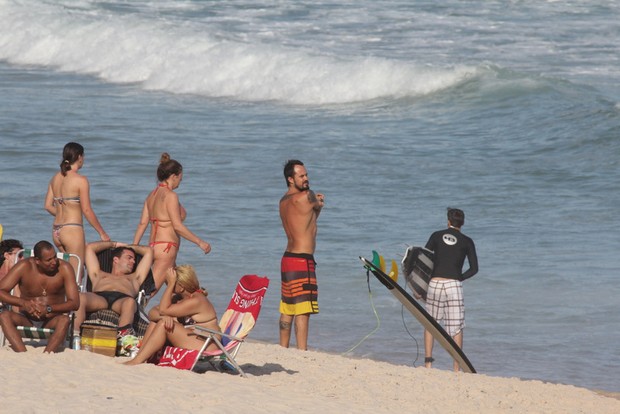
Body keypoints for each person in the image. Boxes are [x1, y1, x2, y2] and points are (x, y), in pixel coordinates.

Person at [133, 153, 211, 294]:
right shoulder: (171, 196)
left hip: (152, 247)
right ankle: (131, 312)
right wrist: (200, 242)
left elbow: (142, 224)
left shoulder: (151, 195)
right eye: (180, 178)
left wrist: (134, 248)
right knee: (148, 293)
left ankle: (179, 312)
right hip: (167, 248)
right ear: (173, 176)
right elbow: (177, 226)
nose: (180, 182)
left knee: (179, 287)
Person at [125, 264, 220, 365]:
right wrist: (164, 317)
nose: (168, 287)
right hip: (195, 338)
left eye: (171, 284)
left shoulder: (197, 300)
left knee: (163, 325)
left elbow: (163, 310)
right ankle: (141, 356)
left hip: (208, 343)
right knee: (156, 322)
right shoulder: (180, 298)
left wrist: (170, 286)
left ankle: (138, 360)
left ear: (181, 287)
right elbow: (152, 312)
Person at [0, 240, 80, 353]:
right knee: (4, 316)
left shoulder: (64, 268)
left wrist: (48, 308)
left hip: (51, 319)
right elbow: (1, 291)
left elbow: (75, 303)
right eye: (49, 260)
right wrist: (23, 303)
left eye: (55, 257)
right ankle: (22, 354)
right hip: (27, 318)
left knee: (64, 320)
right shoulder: (24, 266)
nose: (54, 262)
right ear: (37, 260)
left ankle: (47, 354)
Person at [423, 208, 478, 371]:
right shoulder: (467, 241)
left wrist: (420, 287)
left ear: (448, 221)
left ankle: (428, 364)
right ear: (463, 223)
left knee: (430, 324)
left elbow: (424, 260)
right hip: (454, 285)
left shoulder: (436, 235)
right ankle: (456, 366)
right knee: (456, 326)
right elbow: (474, 269)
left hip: (435, 283)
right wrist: (459, 277)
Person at [278, 159, 324, 350]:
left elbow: (305, 220)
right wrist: (319, 204)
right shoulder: (307, 195)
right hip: (302, 259)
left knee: (287, 307)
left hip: (287, 259)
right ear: (290, 179)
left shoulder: (283, 201)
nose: (306, 179)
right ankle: (302, 351)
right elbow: (314, 215)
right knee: (303, 309)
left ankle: (282, 348)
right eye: (301, 176)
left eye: (306, 175)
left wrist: (316, 207)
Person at [44, 142, 110, 275]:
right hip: (72, 230)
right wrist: (102, 233)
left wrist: (64, 212)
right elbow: (87, 210)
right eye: (83, 157)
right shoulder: (81, 180)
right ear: (79, 157)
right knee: (76, 274)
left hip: (57, 230)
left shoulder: (55, 178)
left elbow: (47, 206)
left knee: (65, 273)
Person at [74, 241, 153, 349]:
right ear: (116, 259)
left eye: (134, 259)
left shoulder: (134, 278)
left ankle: (122, 340)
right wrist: (114, 244)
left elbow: (148, 251)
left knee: (130, 302)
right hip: (99, 298)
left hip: (122, 300)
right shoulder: (99, 274)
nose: (133, 262)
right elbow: (90, 248)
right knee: (81, 296)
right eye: (129, 258)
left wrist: (127, 246)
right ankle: (75, 334)